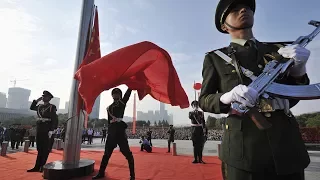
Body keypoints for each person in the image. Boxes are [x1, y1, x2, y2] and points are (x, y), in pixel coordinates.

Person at [199, 0, 311, 179]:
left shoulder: (279, 51)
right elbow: (204, 99)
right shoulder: (215, 58)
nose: (243, 9)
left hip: (286, 144)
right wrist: (227, 97)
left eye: (247, 7)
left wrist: (299, 70)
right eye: (234, 9)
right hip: (243, 149)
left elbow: (294, 95)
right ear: (223, 25)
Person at [93, 87, 135, 180]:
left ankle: (132, 175)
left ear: (120, 95)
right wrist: (109, 131)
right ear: (112, 95)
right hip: (112, 133)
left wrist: (130, 87)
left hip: (120, 133)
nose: (116, 95)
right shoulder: (109, 108)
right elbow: (109, 122)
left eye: (118, 94)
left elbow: (127, 96)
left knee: (128, 154)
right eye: (114, 94)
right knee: (106, 155)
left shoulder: (122, 103)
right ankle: (101, 173)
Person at [27, 90, 58, 173]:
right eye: (43, 96)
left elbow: (54, 119)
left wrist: (52, 130)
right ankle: (37, 166)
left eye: (45, 96)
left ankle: (42, 166)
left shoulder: (52, 107)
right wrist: (37, 100)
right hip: (39, 128)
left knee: (45, 149)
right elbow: (32, 107)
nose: (44, 97)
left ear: (49, 98)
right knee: (39, 149)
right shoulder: (40, 106)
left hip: (47, 130)